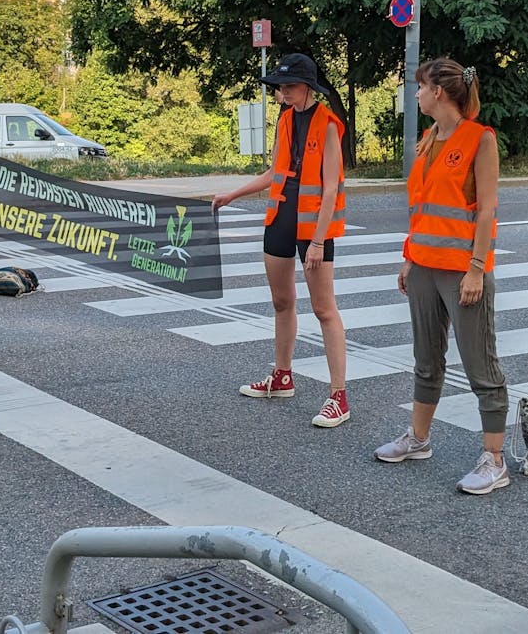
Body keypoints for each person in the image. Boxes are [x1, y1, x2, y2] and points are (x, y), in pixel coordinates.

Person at [375, 58, 509, 495]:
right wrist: (410, 258)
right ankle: (419, 439)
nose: (415, 94)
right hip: (424, 268)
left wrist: (476, 267)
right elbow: (422, 210)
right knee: (425, 358)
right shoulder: (427, 140)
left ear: (439, 93)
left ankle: (494, 459)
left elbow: (486, 210)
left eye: (420, 87)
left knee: (479, 365)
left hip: (462, 273)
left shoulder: (479, 139)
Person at [212, 53, 352, 428]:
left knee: (324, 309)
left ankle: (338, 395)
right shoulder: (286, 119)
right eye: (279, 87)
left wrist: (320, 241)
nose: (281, 93)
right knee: (280, 301)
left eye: (288, 86)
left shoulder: (329, 125)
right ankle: (282, 376)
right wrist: (232, 195)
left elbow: (330, 188)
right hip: (280, 218)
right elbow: (275, 172)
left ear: (306, 87)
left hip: (314, 228)